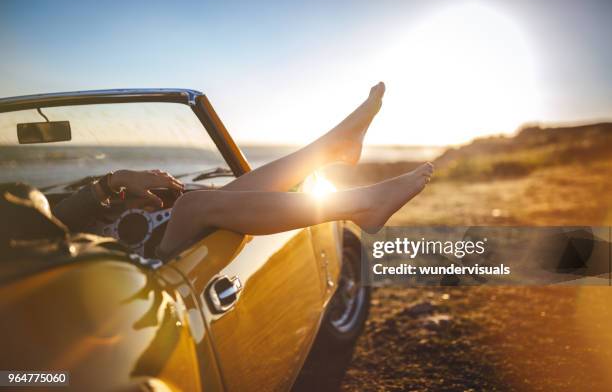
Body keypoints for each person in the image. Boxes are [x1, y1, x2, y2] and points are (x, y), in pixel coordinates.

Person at [48, 82, 433, 256]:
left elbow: (45, 216)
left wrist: (114, 181)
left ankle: (332, 148)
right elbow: (36, 226)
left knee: (210, 198)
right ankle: (359, 202)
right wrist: (109, 184)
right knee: (194, 206)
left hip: (105, 266)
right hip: (106, 284)